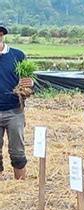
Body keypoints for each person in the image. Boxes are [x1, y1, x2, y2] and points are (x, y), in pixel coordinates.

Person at [0, 22, 34, 180]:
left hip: (14, 111)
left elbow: (29, 79)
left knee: (17, 151)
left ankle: (20, 185)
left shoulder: (17, 55)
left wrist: (29, 84)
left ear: (2, 35)